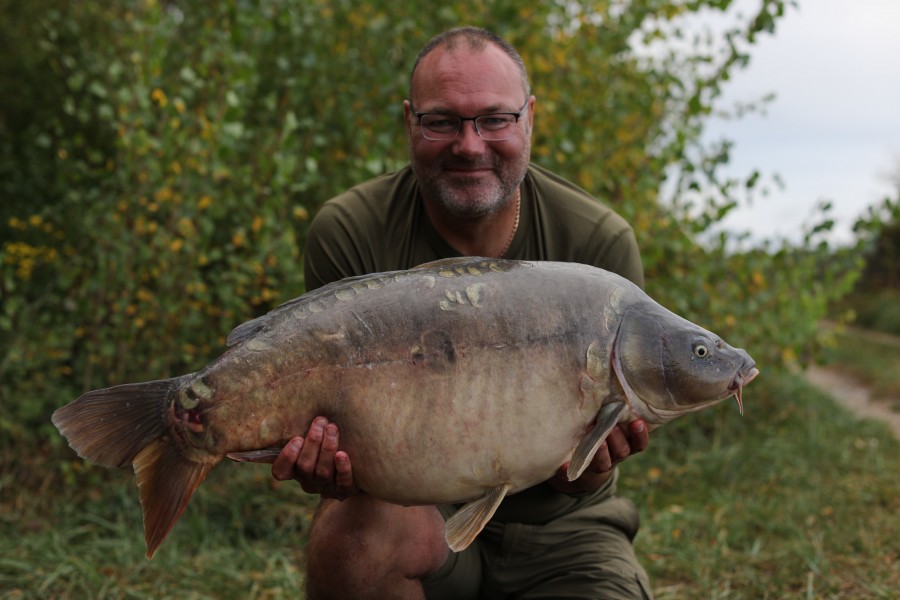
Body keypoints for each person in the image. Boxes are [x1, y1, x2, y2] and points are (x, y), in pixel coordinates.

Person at [271, 27, 653, 599]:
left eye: (495, 119)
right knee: (351, 538)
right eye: (443, 121)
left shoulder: (598, 245)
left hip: (561, 533)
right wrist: (330, 462)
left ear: (530, 119)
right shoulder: (350, 231)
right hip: (410, 516)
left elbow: (587, 469)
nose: (470, 145)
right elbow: (344, 449)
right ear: (409, 122)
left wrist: (592, 464)